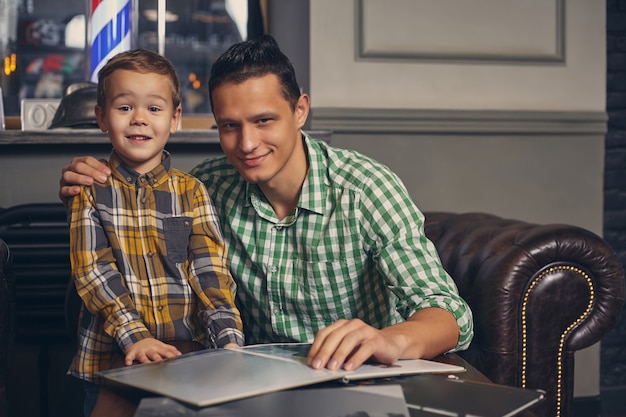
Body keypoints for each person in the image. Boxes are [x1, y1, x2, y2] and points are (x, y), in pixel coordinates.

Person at [60, 35, 473, 374]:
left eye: (263, 120)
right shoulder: (206, 187)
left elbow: (448, 312)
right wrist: (89, 185)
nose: (247, 144)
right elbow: (130, 227)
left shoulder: (365, 189)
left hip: (353, 377)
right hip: (245, 377)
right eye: (229, 127)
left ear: (300, 111)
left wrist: (389, 339)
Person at [66, 48, 244, 416]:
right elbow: (93, 272)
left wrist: (228, 342)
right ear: (102, 117)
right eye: (124, 107)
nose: (139, 120)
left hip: (186, 360)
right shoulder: (90, 190)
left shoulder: (192, 191)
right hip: (112, 360)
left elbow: (211, 274)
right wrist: (137, 336)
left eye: (154, 108)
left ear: (175, 118)